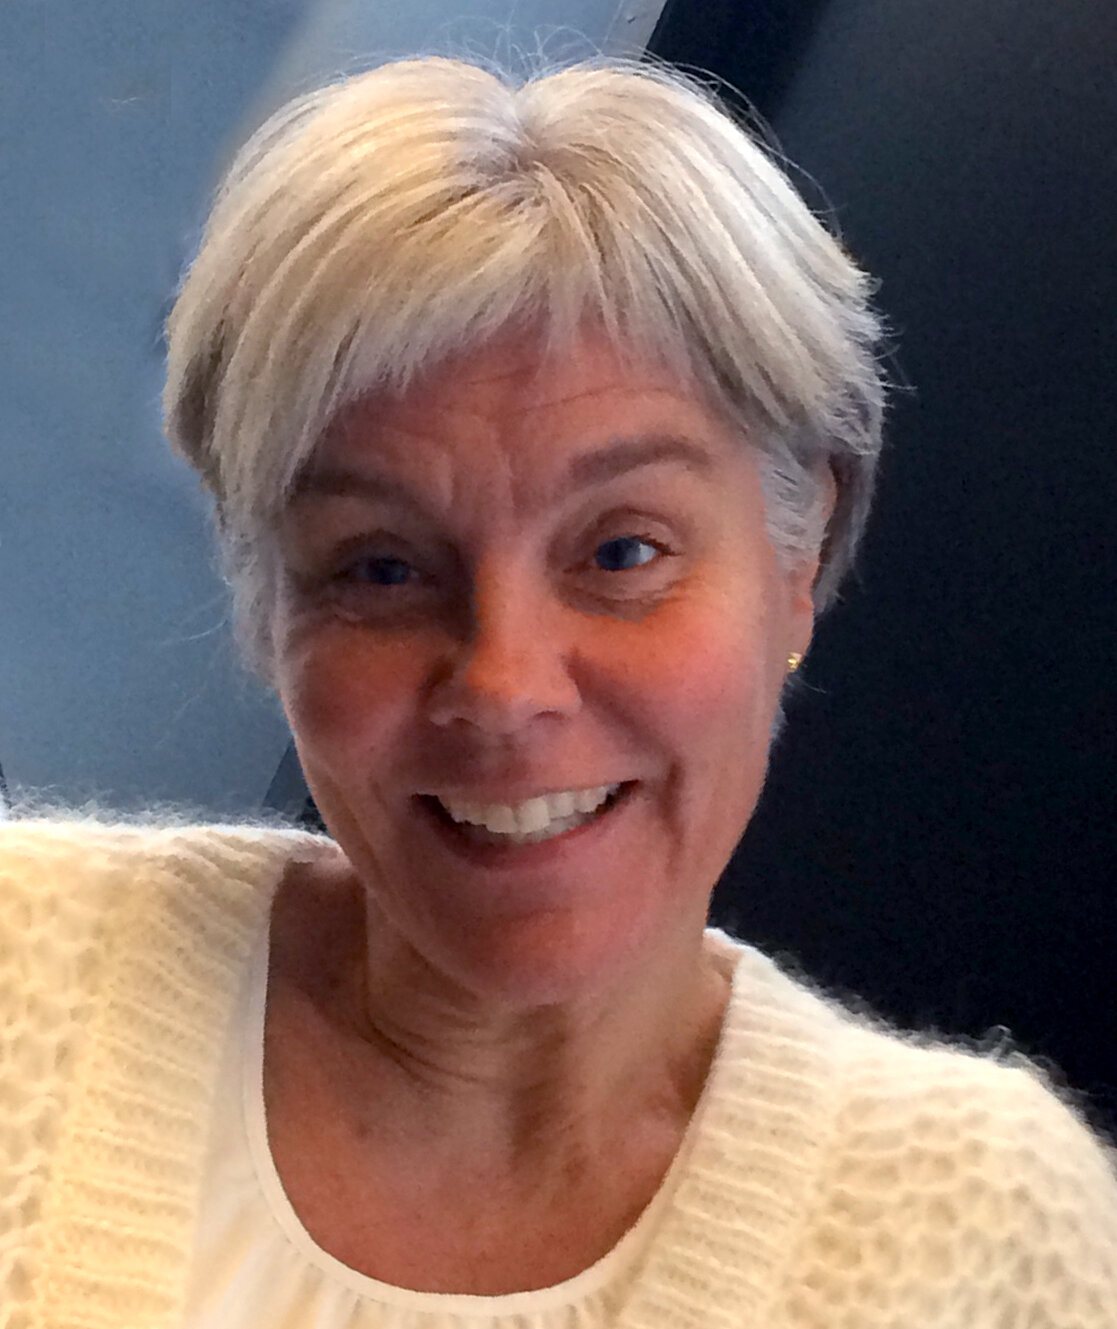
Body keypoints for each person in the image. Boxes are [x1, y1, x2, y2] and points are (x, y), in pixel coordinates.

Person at [2, 54, 1115, 1329]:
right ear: (268, 606)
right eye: (381, 567)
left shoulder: (987, 1231)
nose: (502, 686)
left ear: (798, 556)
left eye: (622, 552)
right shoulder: (19, 974)